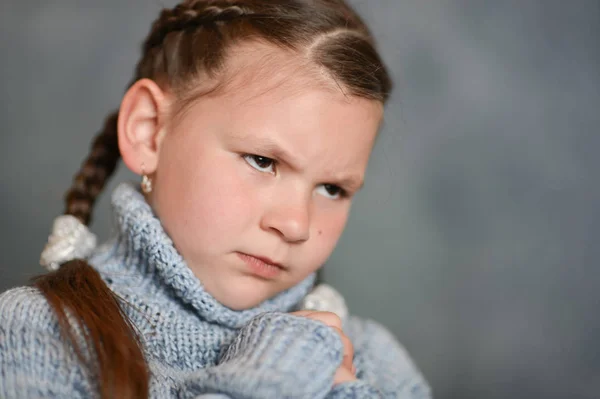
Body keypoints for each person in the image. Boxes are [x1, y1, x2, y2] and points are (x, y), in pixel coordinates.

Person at [0, 1, 431, 398]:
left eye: (333, 189)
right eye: (262, 161)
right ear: (149, 130)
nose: (296, 224)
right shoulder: (39, 332)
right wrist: (275, 378)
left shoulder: (375, 361)